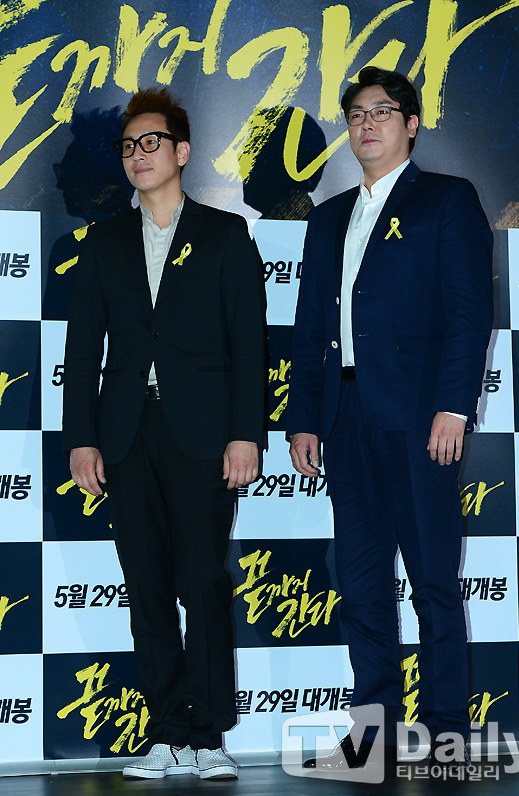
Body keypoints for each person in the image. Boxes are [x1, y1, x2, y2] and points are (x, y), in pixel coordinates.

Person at [287, 66, 493, 769]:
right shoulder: (327, 217)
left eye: (381, 111)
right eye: (355, 115)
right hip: (344, 419)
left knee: (434, 581)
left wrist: (453, 406)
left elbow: (470, 312)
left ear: (411, 124)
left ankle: (447, 730)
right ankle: (372, 733)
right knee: (362, 585)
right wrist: (304, 417)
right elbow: (309, 324)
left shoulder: (447, 199)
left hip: (420, 419)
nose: (366, 124)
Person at [62, 87, 266, 780]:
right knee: (145, 583)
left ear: (181, 152)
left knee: (202, 579)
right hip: (125, 433)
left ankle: (207, 735)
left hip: (203, 432)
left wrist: (246, 434)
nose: (138, 155)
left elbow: (250, 344)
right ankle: (167, 731)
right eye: (128, 146)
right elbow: (82, 350)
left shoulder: (225, 234)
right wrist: (81, 438)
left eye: (151, 143)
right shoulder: (103, 242)